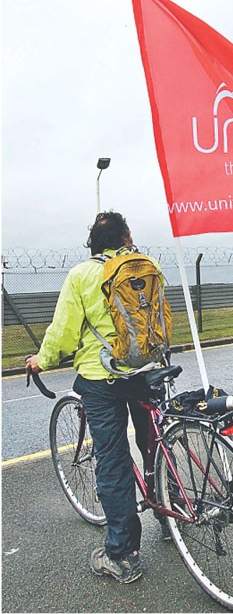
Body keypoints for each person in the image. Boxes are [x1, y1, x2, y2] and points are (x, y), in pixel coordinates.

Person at [25, 212, 167, 584]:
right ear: (127, 237)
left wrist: (42, 360)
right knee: (155, 442)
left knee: (113, 460)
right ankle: (171, 511)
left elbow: (64, 333)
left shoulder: (82, 275)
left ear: (93, 244)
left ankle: (121, 555)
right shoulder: (147, 265)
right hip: (148, 367)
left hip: (102, 376)